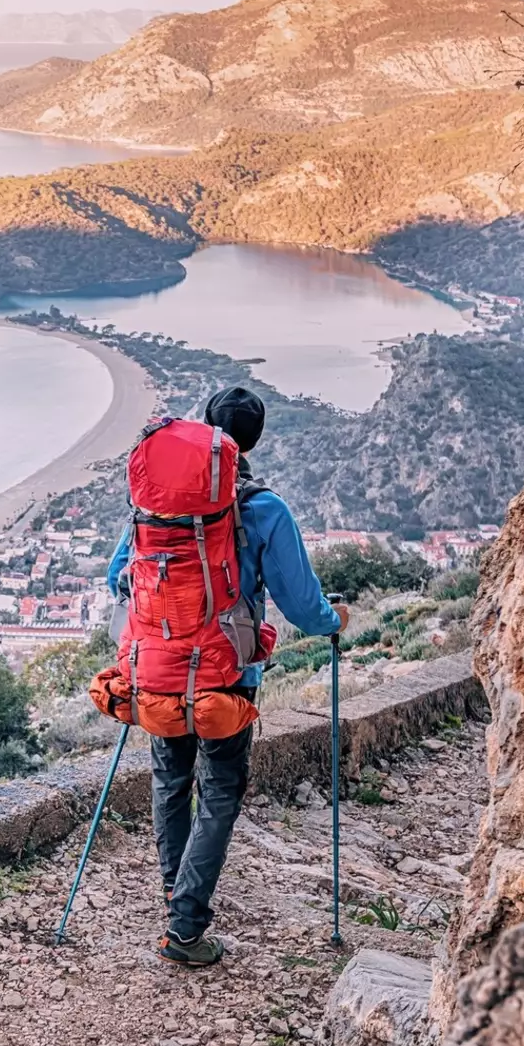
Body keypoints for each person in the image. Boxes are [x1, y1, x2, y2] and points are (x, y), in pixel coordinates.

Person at [107, 386, 350, 967]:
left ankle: (177, 894)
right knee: (218, 789)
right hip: (226, 675)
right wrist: (334, 618)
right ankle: (185, 927)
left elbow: (120, 576)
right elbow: (301, 606)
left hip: (159, 670)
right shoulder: (265, 508)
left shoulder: (158, 505)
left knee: (170, 781)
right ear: (252, 442)